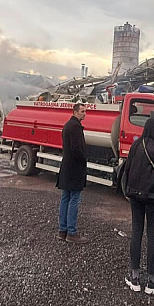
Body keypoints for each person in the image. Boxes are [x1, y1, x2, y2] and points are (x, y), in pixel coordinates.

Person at [122, 117, 154, 294]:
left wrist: (127, 191)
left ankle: (134, 277)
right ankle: (152, 281)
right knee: (153, 236)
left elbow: (128, 168)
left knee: (136, 232)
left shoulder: (137, 145)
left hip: (135, 195)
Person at [55, 103, 89, 244]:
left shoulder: (67, 125)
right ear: (75, 112)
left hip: (67, 166)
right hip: (75, 168)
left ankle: (62, 231)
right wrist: (84, 160)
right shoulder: (75, 127)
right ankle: (72, 232)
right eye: (82, 111)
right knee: (74, 199)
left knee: (65, 197)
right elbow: (76, 149)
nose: (84, 114)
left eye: (85, 111)